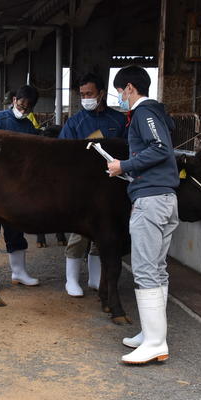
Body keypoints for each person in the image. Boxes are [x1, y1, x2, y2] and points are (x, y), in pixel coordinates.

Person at [107, 65, 179, 365]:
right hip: (163, 197)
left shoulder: (143, 113)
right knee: (157, 269)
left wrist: (123, 166)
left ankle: (154, 342)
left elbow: (160, 148)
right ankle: (152, 334)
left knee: (146, 269)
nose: (119, 97)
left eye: (119, 91)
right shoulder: (155, 113)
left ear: (129, 88)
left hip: (150, 200)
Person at [59, 72, 126, 297]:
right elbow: (61, 153)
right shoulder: (75, 122)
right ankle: (71, 280)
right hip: (81, 187)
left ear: (101, 94)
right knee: (78, 234)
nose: (85, 98)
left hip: (111, 187)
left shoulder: (118, 120)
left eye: (89, 93)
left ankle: (95, 279)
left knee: (104, 234)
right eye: (82, 94)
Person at [0, 85, 40, 288]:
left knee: (16, 226)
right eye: (21, 104)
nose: (24, 109)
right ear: (14, 99)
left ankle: (19, 272)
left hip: (17, 185)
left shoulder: (28, 125)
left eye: (28, 107)